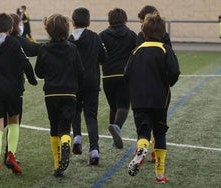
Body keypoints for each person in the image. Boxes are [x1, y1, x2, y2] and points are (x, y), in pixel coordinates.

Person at [0, 12, 38, 179]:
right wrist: (32, 80)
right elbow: (25, 62)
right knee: (13, 122)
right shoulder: (14, 43)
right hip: (14, 91)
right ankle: (11, 156)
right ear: (11, 28)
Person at [124, 14, 180, 183]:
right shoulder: (165, 49)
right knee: (160, 133)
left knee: (143, 131)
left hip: (139, 99)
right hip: (159, 100)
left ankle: (142, 148)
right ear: (163, 33)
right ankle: (160, 175)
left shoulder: (136, 51)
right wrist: (167, 83)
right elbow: (175, 72)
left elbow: (127, 73)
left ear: (144, 32)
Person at [35, 13, 84, 177]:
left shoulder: (44, 48)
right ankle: (66, 141)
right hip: (69, 93)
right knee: (65, 128)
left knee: (53, 128)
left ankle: (57, 165)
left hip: (51, 94)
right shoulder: (72, 48)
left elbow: (39, 72)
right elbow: (80, 71)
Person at [68, 7, 107, 165]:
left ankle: (77, 136)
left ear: (73, 22)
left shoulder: (69, 40)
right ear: (89, 22)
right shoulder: (95, 37)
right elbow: (104, 57)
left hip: (74, 82)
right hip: (91, 81)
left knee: (75, 111)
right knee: (91, 116)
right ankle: (94, 150)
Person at [136, 5, 173, 162]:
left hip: (144, 89)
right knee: (158, 127)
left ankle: (145, 149)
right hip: (158, 91)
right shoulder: (146, 37)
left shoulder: (159, 38)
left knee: (147, 125)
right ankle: (155, 162)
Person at [99, 8, 137, 149]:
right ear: (125, 20)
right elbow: (135, 54)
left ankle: (115, 139)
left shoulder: (102, 35)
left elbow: (99, 55)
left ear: (109, 20)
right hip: (124, 75)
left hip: (108, 76)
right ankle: (116, 127)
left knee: (113, 107)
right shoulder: (132, 35)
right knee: (123, 106)